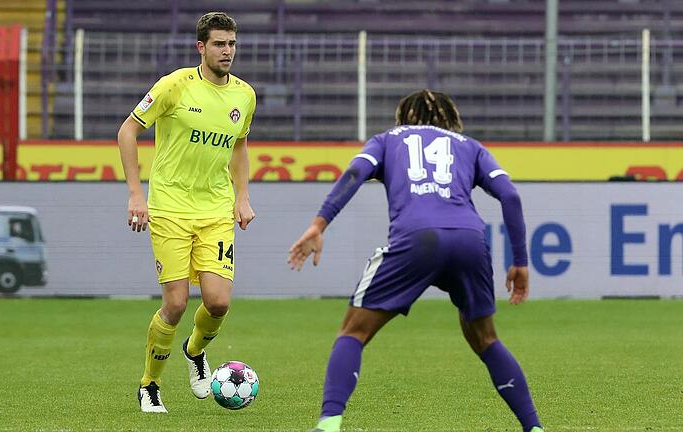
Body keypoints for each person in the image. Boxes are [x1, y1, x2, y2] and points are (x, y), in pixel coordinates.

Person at [288, 90, 544, 432]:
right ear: (451, 117)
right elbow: (510, 195)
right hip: (469, 240)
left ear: (403, 116)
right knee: (486, 340)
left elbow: (354, 173)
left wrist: (319, 224)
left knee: (353, 332)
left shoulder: (386, 140)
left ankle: (330, 421)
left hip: (417, 239)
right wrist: (521, 261)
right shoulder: (469, 146)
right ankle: (534, 428)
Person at [117, 11, 256, 414]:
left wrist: (242, 197)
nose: (227, 51)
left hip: (214, 209)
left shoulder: (244, 95)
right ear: (201, 47)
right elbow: (128, 130)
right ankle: (150, 385)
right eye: (219, 44)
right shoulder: (173, 86)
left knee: (218, 303)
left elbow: (240, 145)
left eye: (231, 43)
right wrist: (135, 194)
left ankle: (195, 353)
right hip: (170, 208)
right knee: (176, 303)